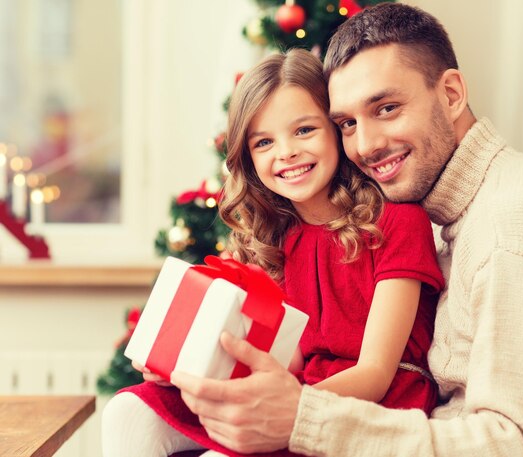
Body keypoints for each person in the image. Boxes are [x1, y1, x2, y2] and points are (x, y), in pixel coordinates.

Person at [169, 3, 523, 456]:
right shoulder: (452, 217)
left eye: (386, 108)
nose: (364, 146)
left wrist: (304, 418)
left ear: (451, 95)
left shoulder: (521, 220)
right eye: (347, 123)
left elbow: (518, 446)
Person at [101, 47, 444, 457]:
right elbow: (286, 360)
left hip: (371, 404)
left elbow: (375, 373)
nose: (286, 153)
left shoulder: (396, 223)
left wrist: (286, 408)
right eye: (264, 141)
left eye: (304, 130)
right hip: (298, 388)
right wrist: (181, 370)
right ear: (248, 157)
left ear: (336, 131)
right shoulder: (277, 239)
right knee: (126, 411)